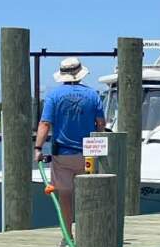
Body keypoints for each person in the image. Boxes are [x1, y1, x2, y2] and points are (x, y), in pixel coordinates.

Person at [34, 56, 106, 233]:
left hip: (62, 155)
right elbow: (101, 124)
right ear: (81, 74)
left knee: (66, 197)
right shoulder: (93, 94)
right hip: (88, 154)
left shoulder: (53, 95)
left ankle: (67, 234)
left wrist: (37, 149)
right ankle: (87, 232)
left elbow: (45, 123)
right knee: (87, 195)